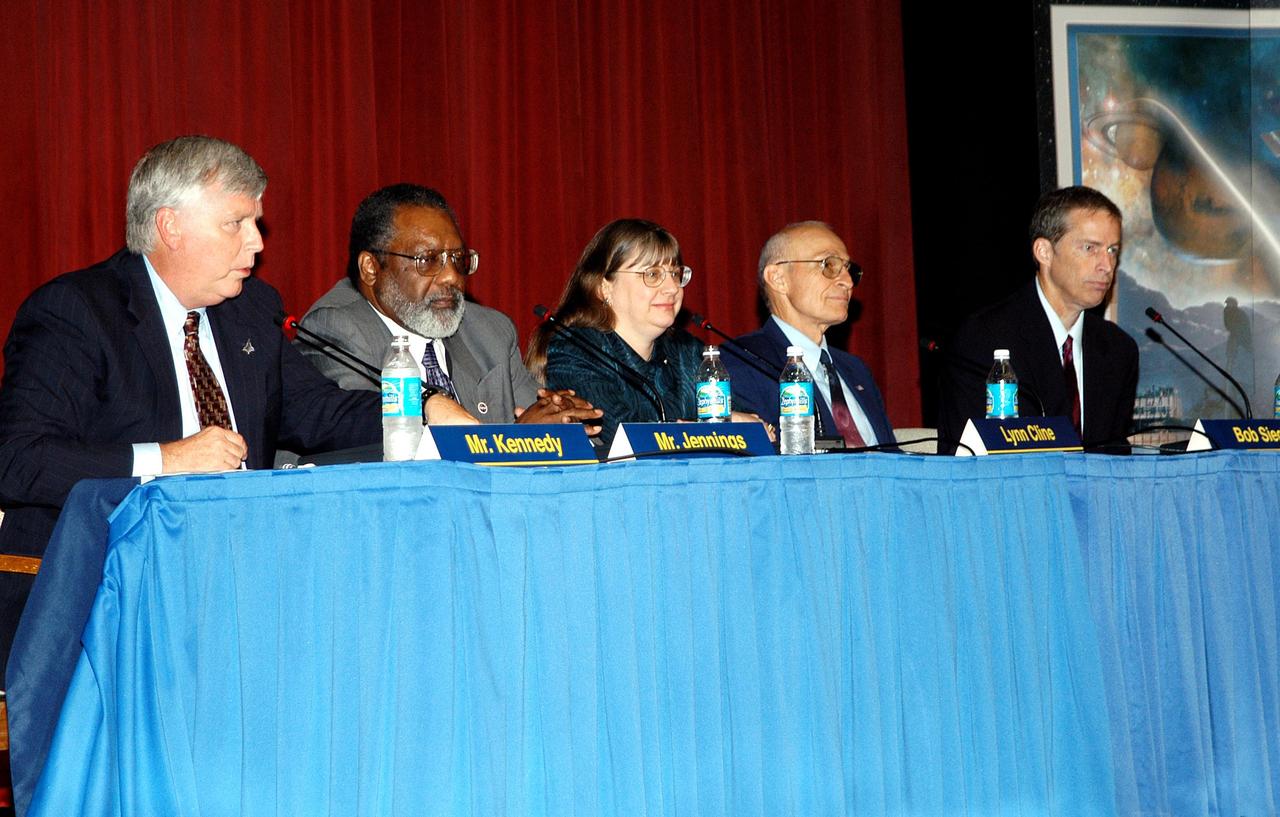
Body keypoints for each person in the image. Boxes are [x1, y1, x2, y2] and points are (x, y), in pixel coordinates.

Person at [0, 137, 447, 669]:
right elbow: (19, 460)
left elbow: (319, 412)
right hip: (110, 581)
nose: (256, 244)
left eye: (255, 223)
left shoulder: (250, 309)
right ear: (171, 227)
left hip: (242, 574)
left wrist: (426, 408)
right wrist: (165, 460)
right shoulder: (77, 313)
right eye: (236, 224)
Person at [298, 184, 600, 429]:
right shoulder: (336, 328)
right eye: (428, 260)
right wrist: (519, 438)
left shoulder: (490, 331)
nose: (452, 277)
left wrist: (559, 416)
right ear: (371, 268)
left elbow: (535, 414)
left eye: (458, 259)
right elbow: (375, 443)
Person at [526, 218, 763, 446]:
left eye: (674, 274)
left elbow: (752, 423)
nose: (672, 288)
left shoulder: (686, 350)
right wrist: (714, 427)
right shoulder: (576, 350)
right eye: (652, 275)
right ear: (604, 287)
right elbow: (628, 434)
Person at [937, 185, 1139, 452]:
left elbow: (1114, 453)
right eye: (1090, 248)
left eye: (1113, 250)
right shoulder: (984, 341)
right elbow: (971, 461)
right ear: (1044, 252)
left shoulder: (1118, 350)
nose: (1106, 265)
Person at [721, 221, 894, 448]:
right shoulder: (742, 363)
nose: (847, 282)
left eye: (848, 269)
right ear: (778, 278)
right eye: (829, 265)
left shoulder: (855, 369)